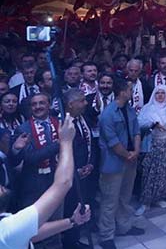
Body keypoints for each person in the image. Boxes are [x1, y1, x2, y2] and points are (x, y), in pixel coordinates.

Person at [0, 116, 91, 249]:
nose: (1, 185)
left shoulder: (10, 229)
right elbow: (64, 183)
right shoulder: (7, 230)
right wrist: (65, 142)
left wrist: (71, 221)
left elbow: (30, 233)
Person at [98, 78, 144, 249]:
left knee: (125, 197)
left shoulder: (129, 109)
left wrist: (136, 151)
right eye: (130, 90)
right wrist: (128, 155)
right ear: (123, 92)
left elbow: (137, 131)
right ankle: (106, 236)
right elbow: (112, 141)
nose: (132, 92)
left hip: (130, 159)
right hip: (114, 162)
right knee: (110, 200)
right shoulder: (108, 114)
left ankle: (124, 226)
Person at [136, 85, 166, 212]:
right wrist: (152, 124)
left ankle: (159, 198)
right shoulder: (147, 108)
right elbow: (139, 122)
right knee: (149, 174)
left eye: (162, 93)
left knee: (165, 173)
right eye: (157, 93)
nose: (159, 95)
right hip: (152, 145)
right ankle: (145, 202)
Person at [11, 93, 62, 210]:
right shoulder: (23, 129)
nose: (37, 107)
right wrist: (58, 144)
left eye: (41, 103)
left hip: (57, 178)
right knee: (36, 222)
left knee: (57, 217)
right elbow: (30, 158)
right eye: (34, 104)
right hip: (35, 183)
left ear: (49, 105)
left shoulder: (59, 123)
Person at [61, 89, 95, 249]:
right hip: (72, 176)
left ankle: (77, 238)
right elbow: (63, 153)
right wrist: (76, 170)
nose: (86, 103)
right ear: (71, 104)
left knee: (84, 205)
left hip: (87, 172)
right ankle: (70, 243)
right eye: (82, 101)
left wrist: (91, 163)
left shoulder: (84, 117)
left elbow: (92, 142)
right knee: (71, 208)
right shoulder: (63, 123)